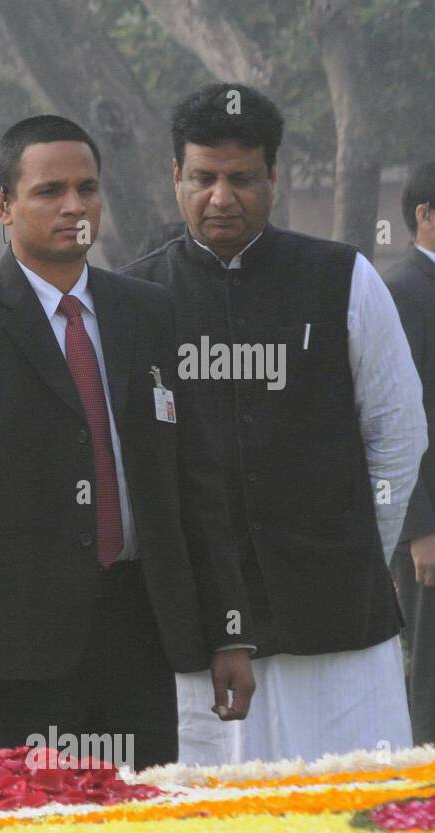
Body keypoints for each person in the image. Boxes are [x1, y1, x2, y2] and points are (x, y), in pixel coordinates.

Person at [0, 115, 254, 772]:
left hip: (143, 639)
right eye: (49, 191)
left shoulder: (149, 311)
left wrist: (229, 630)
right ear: (3, 206)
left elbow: (196, 480)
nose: (73, 206)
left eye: (86, 189)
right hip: (15, 665)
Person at [122, 85, 427, 764]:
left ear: (275, 178)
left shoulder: (343, 277)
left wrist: (353, 549)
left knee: (362, 816)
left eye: (242, 179)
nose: (221, 198)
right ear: (175, 177)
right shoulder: (135, 300)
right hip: (200, 633)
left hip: (339, 621)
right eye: (202, 178)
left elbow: (399, 431)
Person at [385, 162, 435, 748]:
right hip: (429, 526)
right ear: (424, 216)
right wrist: (418, 525)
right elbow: (397, 416)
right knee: (429, 669)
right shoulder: (401, 291)